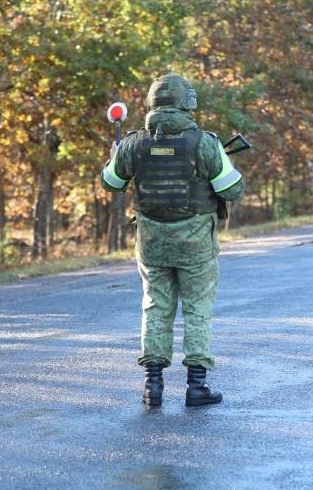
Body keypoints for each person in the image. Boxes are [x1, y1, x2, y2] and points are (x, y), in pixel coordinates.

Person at [100, 74, 245, 407]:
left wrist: (114, 157)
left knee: (155, 308)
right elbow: (232, 189)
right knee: (197, 311)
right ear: (187, 103)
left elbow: (111, 182)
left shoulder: (133, 143)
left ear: (153, 103)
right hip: (196, 243)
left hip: (152, 242)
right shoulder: (205, 143)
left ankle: (153, 385)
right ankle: (197, 386)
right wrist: (224, 162)